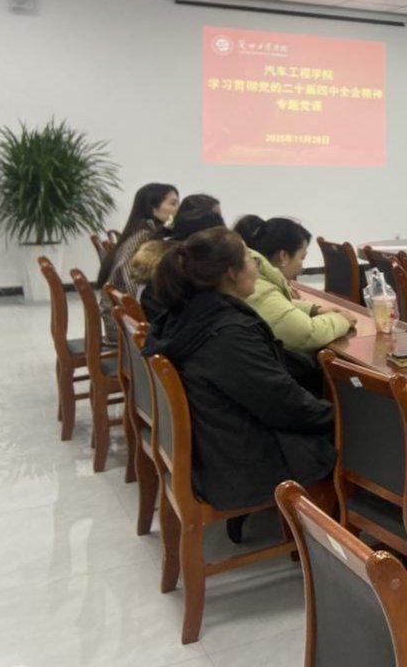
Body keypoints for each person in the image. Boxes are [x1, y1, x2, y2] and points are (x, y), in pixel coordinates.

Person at [142, 228, 335, 539]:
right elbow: (284, 405)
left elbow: (264, 376)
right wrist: (340, 417)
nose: (256, 268)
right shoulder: (227, 332)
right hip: (240, 464)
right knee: (354, 433)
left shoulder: (187, 314)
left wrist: (310, 365)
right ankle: (338, 539)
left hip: (215, 447)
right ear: (232, 273)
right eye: (250, 260)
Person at [243, 217, 354, 354]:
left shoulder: (255, 276)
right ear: (283, 256)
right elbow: (307, 334)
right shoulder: (258, 287)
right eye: (302, 257)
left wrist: (313, 310)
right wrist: (342, 320)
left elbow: (277, 308)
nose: (302, 266)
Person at [98, 183, 180, 345]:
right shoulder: (143, 236)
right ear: (153, 208)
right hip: (125, 327)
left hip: (121, 319)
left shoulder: (141, 230)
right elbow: (132, 284)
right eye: (173, 203)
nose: (178, 209)